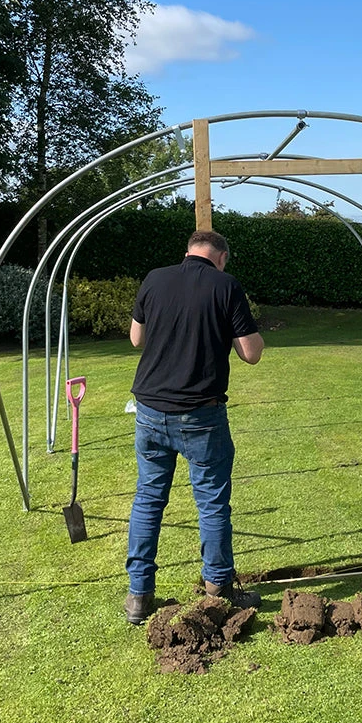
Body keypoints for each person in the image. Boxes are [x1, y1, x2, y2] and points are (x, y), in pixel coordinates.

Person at [123, 229, 265, 624]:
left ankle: (138, 595)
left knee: (148, 500)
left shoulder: (155, 278)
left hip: (150, 410)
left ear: (187, 250)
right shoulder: (226, 285)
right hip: (200, 416)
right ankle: (219, 587)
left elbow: (136, 338)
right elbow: (251, 353)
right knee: (212, 502)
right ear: (220, 257)